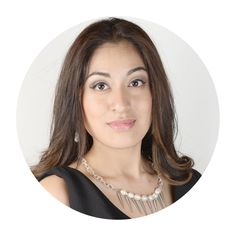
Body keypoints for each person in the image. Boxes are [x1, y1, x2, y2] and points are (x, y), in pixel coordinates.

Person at [32, 17, 201, 220]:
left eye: (136, 82)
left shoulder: (191, 183)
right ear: (76, 101)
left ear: (156, 93)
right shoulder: (58, 194)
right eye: (101, 85)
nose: (121, 103)